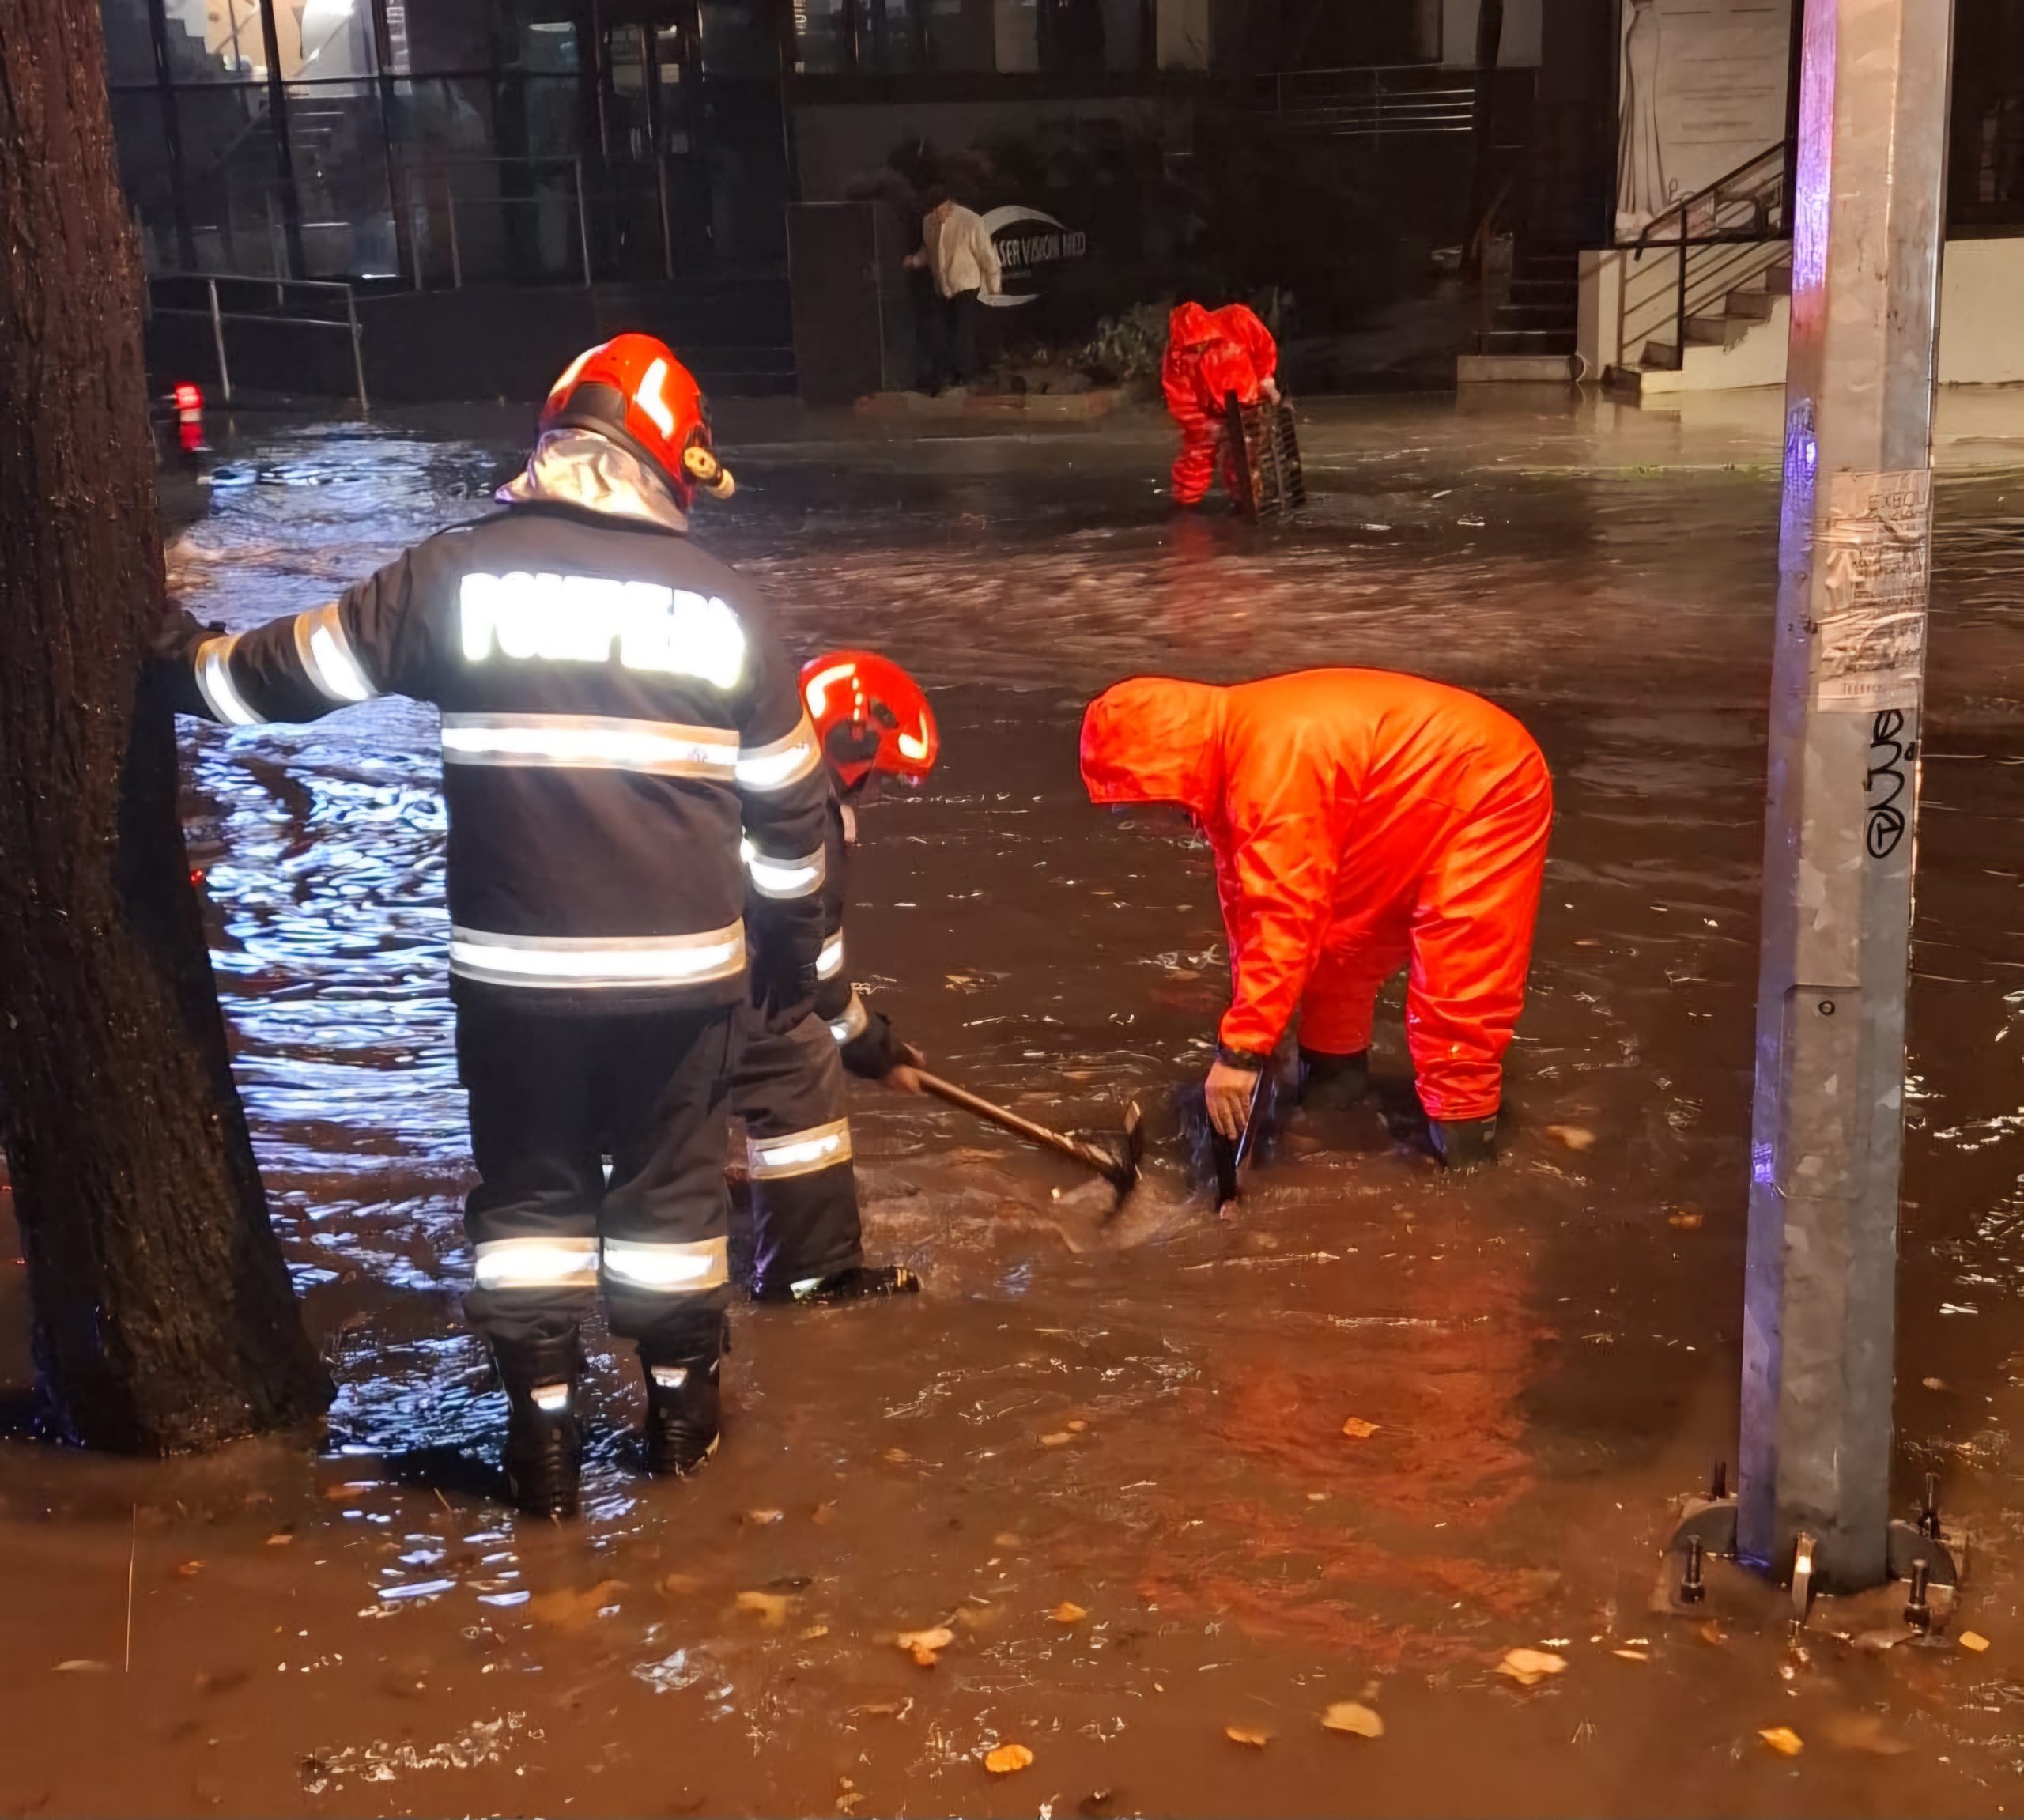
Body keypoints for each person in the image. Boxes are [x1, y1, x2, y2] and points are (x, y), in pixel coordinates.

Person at [156, 334, 830, 1518]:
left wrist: (180, 661)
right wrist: (790, 942)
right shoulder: (728, 605)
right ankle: (681, 1429)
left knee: (529, 1199)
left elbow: (290, 676)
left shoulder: (457, 576)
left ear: (555, 439)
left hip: (517, 985)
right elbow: (792, 805)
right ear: (672, 462)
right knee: (673, 1200)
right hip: (684, 985)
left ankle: (545, 1448)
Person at [1078, 669, 1552, 1171]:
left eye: (1138, 806)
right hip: (1410, 784)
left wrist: (1241, 1054)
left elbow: (1283, 909)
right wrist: (1252, 1032)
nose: (1146, 824)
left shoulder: (1271, 767)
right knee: (1337, 948)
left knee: (1460, 977)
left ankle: (1469, 1164)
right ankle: (1333, 1104)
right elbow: (1249, 909)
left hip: (1487, 783)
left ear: (1167, 768)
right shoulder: (1230, 760)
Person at [732, 648, 941, 1303]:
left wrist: (873, 1044)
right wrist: (872, 1050)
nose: (874, 790)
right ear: (852, 744)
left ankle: (703, 1201)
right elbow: (814, 973)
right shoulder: (807, 812)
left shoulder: (743, 774)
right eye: (880, 774)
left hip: (645, 975)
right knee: (800, 1061)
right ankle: (812, 1276)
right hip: (710, 983)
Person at [1161, 301, 1281, 508]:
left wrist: (1266, 379)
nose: (1197, 349)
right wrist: (1201, 426)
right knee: (1196, 457)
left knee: (1244, 457)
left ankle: (1245, 503)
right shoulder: (1177, 355)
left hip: (1246, 404)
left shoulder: (1237, 320)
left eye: (1201, 344)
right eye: (1192, 347)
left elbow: (1263, 346)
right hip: (1207, 411)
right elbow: (1180, 397)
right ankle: (1185, 507)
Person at [904, 187, 1002, 394]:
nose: (937, 214)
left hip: (966, 284)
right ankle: (948, 374)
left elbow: (986, 254)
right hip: (943, 286)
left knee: (964, 331)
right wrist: (915, 261)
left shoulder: (970, 221)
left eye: (940, 209)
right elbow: (929, 249)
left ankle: (965, 375)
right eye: (933, 210)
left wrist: (994, 284)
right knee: (945, 331)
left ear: (949, 205)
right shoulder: (928, 222)